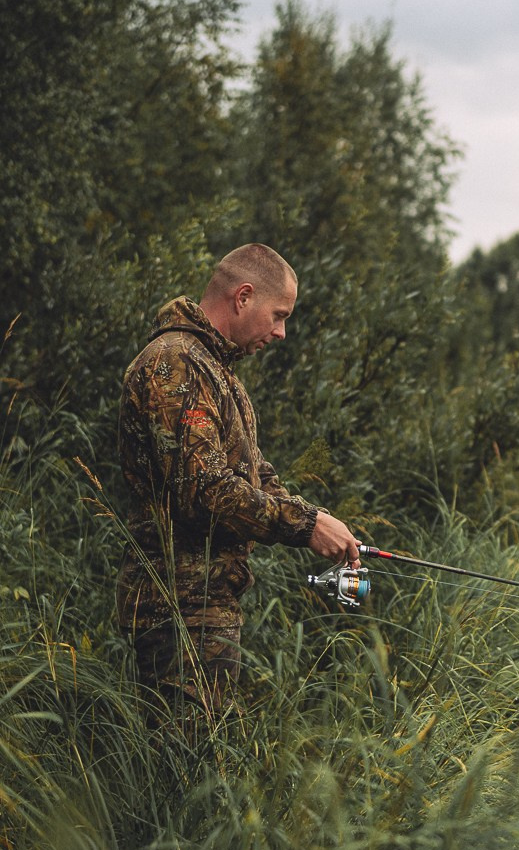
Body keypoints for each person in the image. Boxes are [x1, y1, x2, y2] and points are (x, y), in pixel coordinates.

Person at [114, 244, 360, 727]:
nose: (281, 332)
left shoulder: (215, 372)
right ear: (243, 296)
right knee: (184, 776)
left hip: (206, 605)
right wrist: (306, 526)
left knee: (204, 769)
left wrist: (322, 525)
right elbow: (205, 491)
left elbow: (255, 476)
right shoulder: (176, 364)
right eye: (278, 315)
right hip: (178, 607)